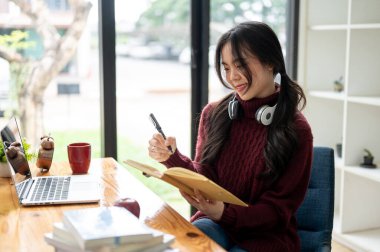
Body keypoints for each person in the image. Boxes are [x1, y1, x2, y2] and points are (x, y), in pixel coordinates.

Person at [148, 21, 313, 252]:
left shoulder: (297, 130)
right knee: (179, 243)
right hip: (216, 224)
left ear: (270, 62)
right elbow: (205, 178)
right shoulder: (214, 114)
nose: (232, 77)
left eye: (240, 65)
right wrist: (172, 158)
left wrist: (224, 212)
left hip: (266, 238)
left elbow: (277, 212)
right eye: (226, 68)